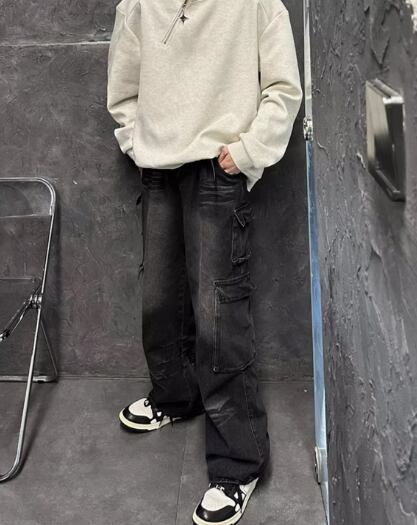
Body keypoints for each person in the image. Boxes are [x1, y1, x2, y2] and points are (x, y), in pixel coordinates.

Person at [106, 0, 303, 523]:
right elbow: (123, 83)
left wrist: (249, 151)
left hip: (217, 168)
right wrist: (136, 140)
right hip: (157, 168)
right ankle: (176, 396)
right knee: (159, 299)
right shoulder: (140, 3)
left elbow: (283, 88)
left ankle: (238, 464)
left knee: (220, 316)